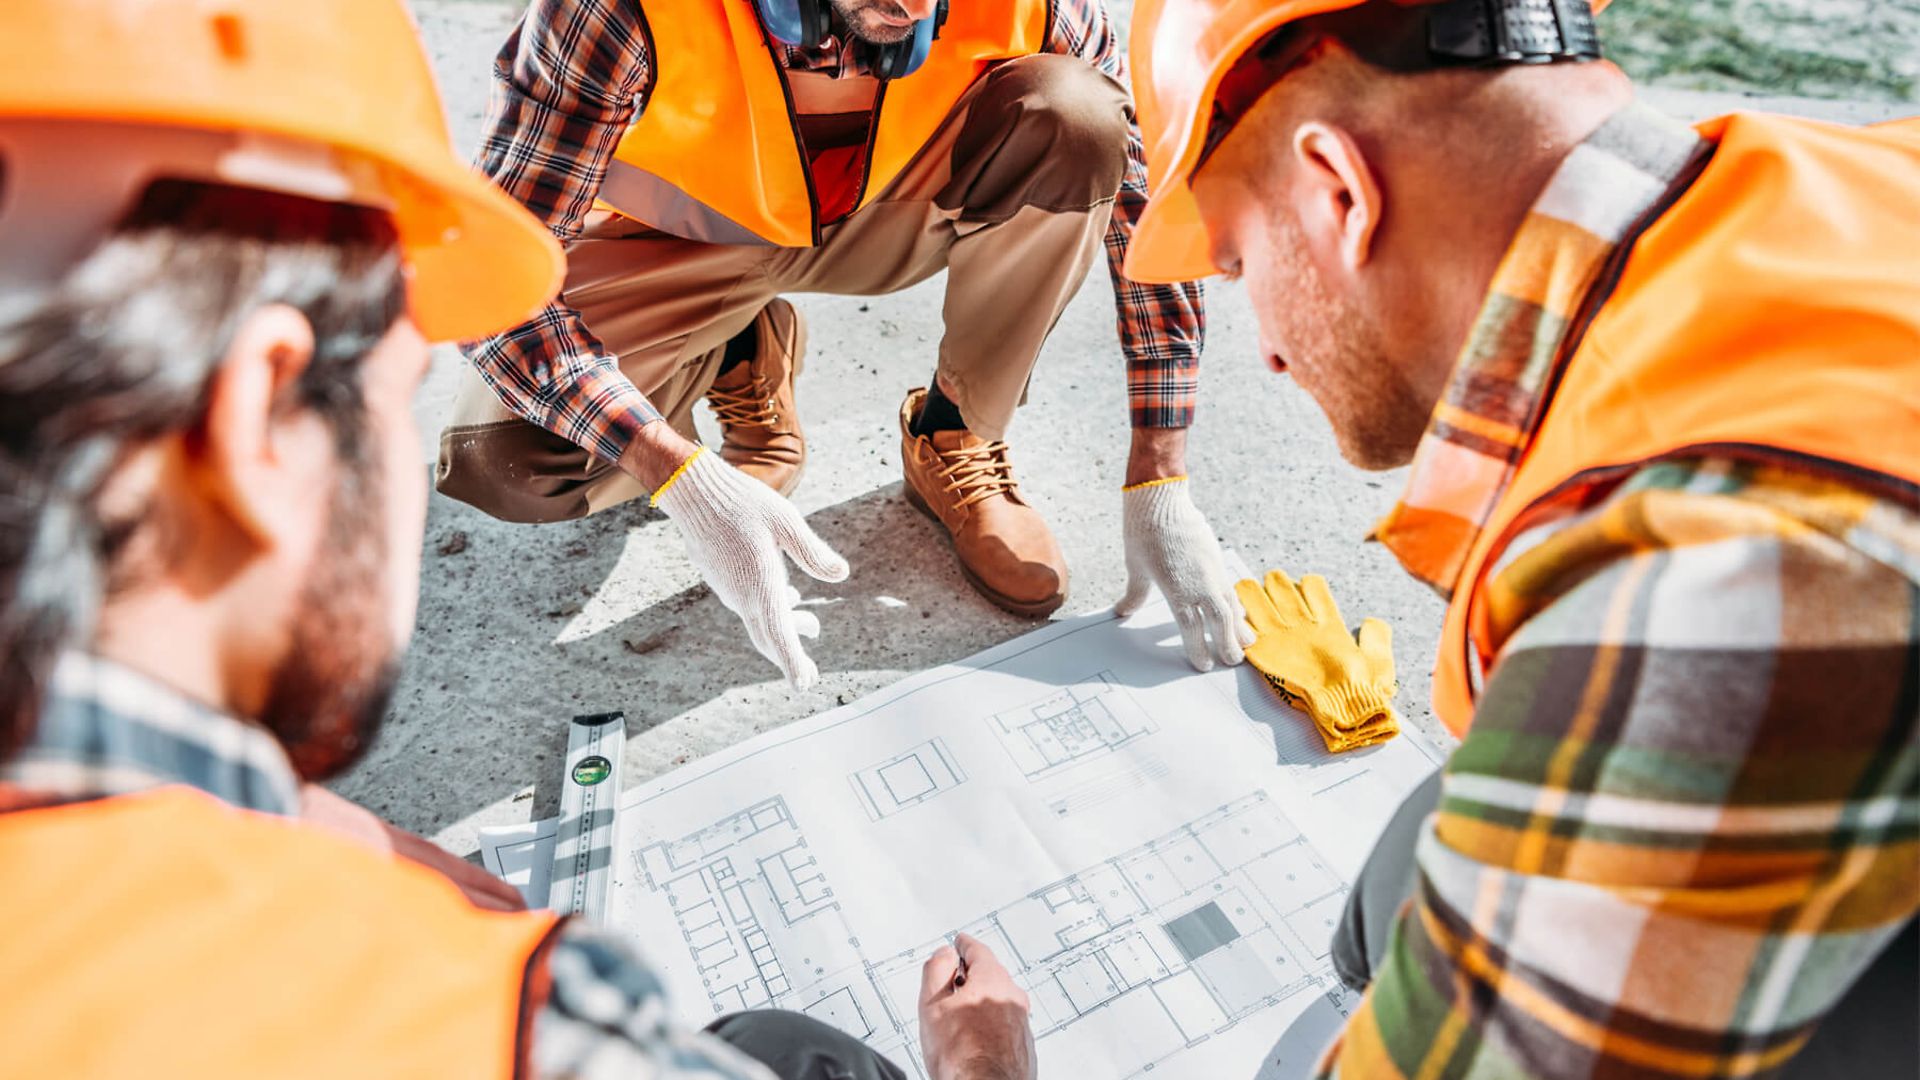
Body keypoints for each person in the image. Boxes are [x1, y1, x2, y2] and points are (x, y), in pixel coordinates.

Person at [0, 2, 1034, 1077]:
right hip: (671, 240)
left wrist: (262, 812)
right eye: (393, 395)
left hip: (854, 222)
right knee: (787, 1052)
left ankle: (754, 338)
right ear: (257, 423)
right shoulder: (525, 1030)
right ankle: (722, 328)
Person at [1127, 0, 1920, 1076]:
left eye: (1234, 262)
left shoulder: (1707, 576)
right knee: (1419, 855)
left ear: (1338, 191)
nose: (1262, 350)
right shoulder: (1858, 180)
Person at [436, 0, 1254, 688]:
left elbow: (1147, 202)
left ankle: (952, 434)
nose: (909, 5)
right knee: (509, 462)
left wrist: (1160, 469)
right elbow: (490, 279)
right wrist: (672, 469)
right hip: (680, 242)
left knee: (1080, 119)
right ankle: (731, 349)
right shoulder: (619, 11)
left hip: (886, 212)